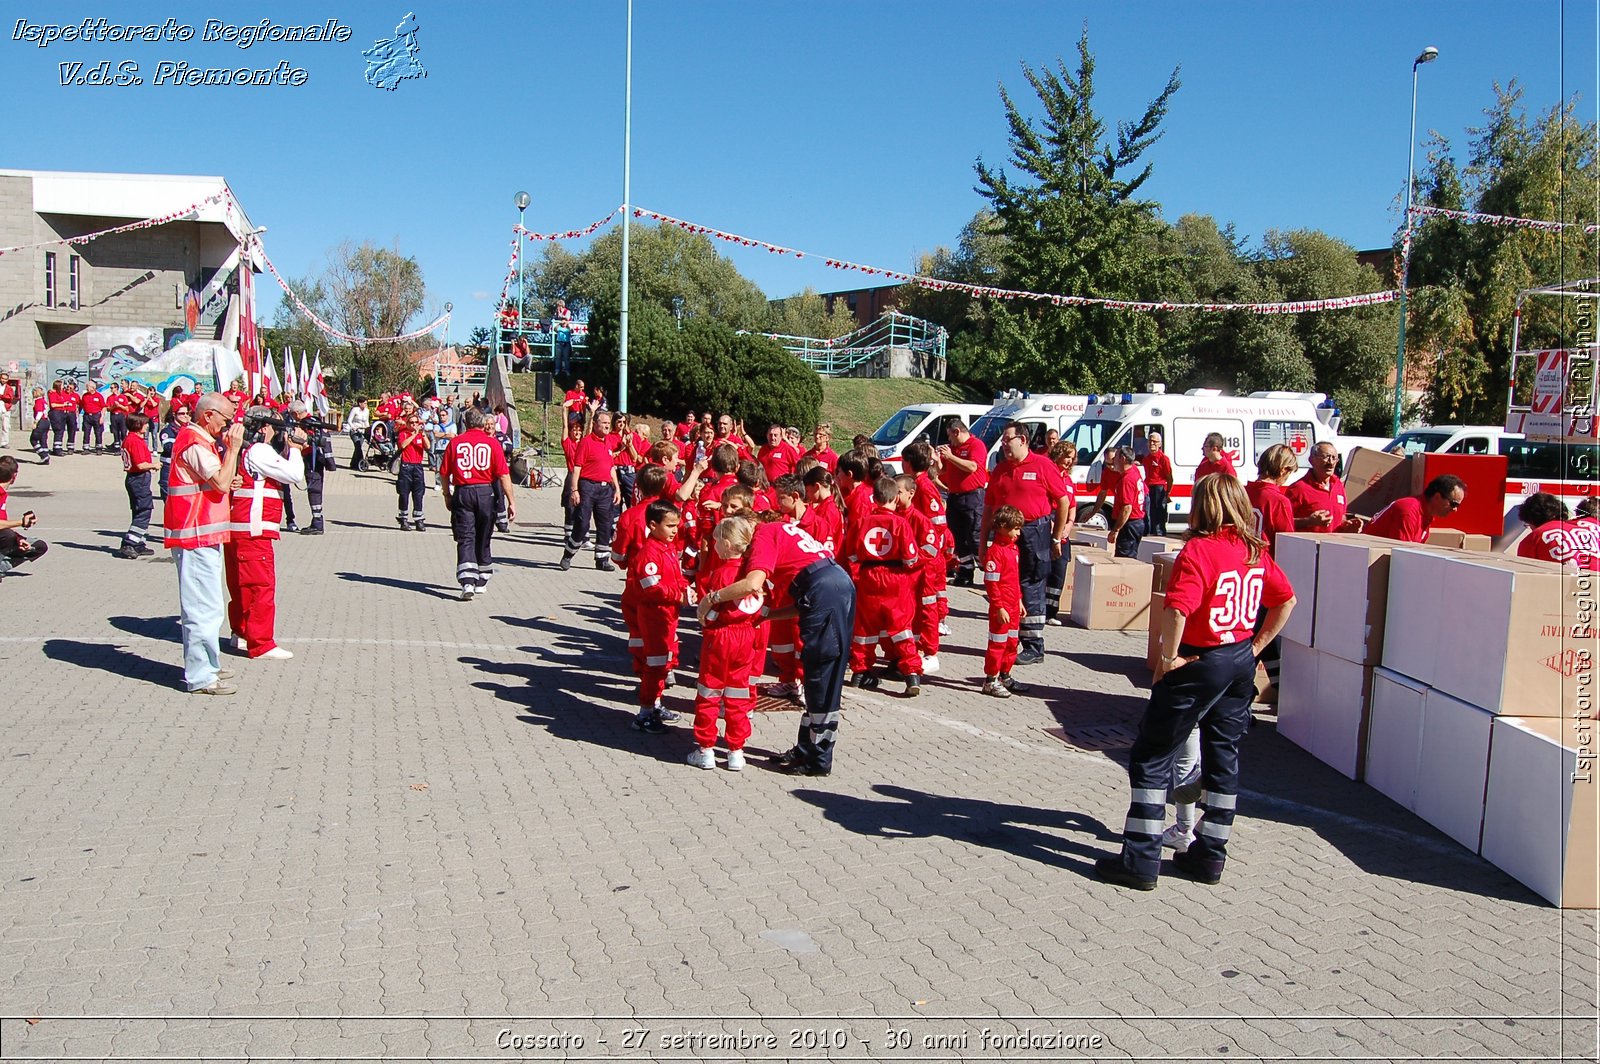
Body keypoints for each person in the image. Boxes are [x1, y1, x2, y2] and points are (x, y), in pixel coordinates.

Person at [1096, 474, 1296, 891]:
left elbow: (1176, 610)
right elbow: (1286, 599)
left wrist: (1168, 659)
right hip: (1238, 658)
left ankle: (1140, 858)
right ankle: (1210, 855)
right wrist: (1255, 647)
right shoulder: (1252, 550)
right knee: (1223, 757)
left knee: (1152, 756)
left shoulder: (1200, 551)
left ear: (1204, 507)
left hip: (1200, 660)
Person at [700, 510, 855, 777]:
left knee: (821, 676)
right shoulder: (781, 529)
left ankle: (818, 758)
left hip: (824, 589)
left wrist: (711, 598)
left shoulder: (764, 534)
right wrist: (770, 615)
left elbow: (752, 584)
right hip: (829, 585)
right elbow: (804, 602)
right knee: (815, 673)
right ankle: (807, 747)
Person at [164, 393, 246, 696]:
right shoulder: (195, 443)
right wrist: (233, 450)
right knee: (202, 609)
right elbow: (221, 482)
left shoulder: (200, 442)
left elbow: (218, 482)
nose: (228, 427)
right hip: (194, 533)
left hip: (201, 533)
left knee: (208, 605)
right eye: (225, 420)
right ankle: (201, 675)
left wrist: (227, 474)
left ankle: (208, 664)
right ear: (208, 415)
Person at [981, 423, 1070, 664]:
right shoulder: (1000, 470)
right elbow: (988, 509)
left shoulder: (1043, 466)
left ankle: (1033, 646)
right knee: (1007, 585)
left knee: (1031, 585)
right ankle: (1010, 640)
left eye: (1007, 440)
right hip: (1004, 537)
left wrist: (1056, 536)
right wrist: (982, 544)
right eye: (1003, 441)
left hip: (1033, 532)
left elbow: (1063, 502)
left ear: (1022, 439)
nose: (1004, 445)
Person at [225, 407, 307, 659]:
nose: (279, 430)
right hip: (254, 529)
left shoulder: (238, 447)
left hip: (238, 527)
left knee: (241, 587)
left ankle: (240, 633)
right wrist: (295, 448)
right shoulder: (259, 450)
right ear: (263, 427)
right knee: (260, 587)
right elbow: (294, 474)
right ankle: (260, 643)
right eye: (275, 426)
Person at [689, 515, 765, 770]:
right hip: (746, 636)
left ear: (729, 544)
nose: (713, 545)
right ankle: (736, 750)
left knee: (709, 690)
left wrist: (704, 620)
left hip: (720, 635)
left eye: (717, 541)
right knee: (738, 693)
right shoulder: (752, 573)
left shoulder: (720, 574)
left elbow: (710, 613)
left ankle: (706, 748)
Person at [847, 476, 923, 696]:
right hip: (895, 577)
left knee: (865, 629)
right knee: (901, 628)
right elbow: (911, 558)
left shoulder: (862, 521)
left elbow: (851, 554)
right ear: (894, 498)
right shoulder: (901, 523)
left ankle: (859, 673)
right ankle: (911, 675)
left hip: (868, 576)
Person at [440, 407, 517, 600]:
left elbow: (444, 473)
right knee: (484, 535)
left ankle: (467, 581)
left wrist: (446, 495)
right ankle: (482, 578)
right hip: (485, 492)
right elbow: (504, 475)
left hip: (463, 491)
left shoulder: (455, 443)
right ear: (482, 423)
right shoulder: (491, 444)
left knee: (465, 536)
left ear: (465, 423)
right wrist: (511, 501)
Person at [624, 500, 688, 733]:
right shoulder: (649, 553)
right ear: (653, 525)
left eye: (676, 526)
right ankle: (644, 713)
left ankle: (656, 703)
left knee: (665, 663)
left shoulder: (667, 548)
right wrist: (677, 595)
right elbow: (651, 587)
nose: (674, 530)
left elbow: (675, 575)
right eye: (670, 526)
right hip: (654, 616)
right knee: (655, 664)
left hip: (668, 615)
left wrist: (684, 587)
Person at [561, 410, 622, 572]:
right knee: (582, 523)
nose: (607, 425)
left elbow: (610, 467)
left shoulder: (608, 442)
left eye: (609, 423)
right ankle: (568, 554)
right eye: (603, 422)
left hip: (605, 489)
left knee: (605, 525)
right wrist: (574, 490)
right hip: (587, 487)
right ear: (595, 424)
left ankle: (602, 559)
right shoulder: (586, 442)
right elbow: (577, 468)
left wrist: (617, 489)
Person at [981, 504, 1025, 698]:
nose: (1018, 532)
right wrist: (998, 607)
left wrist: (1020, 601)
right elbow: (991, 583)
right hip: (1002, 607)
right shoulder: (995, 552)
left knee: (1012, 642)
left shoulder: (1013, 549)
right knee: (997, 643)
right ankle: (990, 680)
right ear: (1002, 527)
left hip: (1014, 605)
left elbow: (1014, 580)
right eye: (1015, 528)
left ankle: (1005, 675)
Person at [938, 419, 989, 586]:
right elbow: (942, 470)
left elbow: (972, 466)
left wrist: (951, 456)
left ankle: (989, 571)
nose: (949, 440)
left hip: (972, 497)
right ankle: (965, 572)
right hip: (955, 496)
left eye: (950, 436)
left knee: (974, 536)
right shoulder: (952, 449)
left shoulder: (976, 445)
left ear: (957, 432)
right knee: (959, 537)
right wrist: (937, 458)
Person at [1286, 441, 1362, 533]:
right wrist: (1308, 522)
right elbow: (1283, 523)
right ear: (1311, 460)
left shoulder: (1338, 486)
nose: (1331, 462)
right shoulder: (1298, 489)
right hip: (1308, 546)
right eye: (1326, 457)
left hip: (1335, 545)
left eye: (1334, 458)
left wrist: (1348, 525)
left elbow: (1340, 516)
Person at [113, 412, 159, 559]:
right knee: (144, 511)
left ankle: (138, 542)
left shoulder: (131, 439)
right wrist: (154, 465)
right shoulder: (135, 441)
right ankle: (129, 542)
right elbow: (140, 464)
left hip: (135, 479)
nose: (147, 426)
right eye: (145, 424)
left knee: (139, 511)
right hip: (138, 478)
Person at [1368, 474, 1466, 543]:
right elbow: (1401, 555)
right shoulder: (1409, 512)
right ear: (1437, 497)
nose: (1455, 509)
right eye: (1454, 504)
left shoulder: (1426, 515)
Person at [1515, 492, 1600, 571]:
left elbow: (1524, 576)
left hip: (1569, 582)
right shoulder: (1586, 528)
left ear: (1531, 521)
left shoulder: (1533, 538)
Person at [1044, 441, 1079, 626]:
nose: (1069, 461)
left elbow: (1072, 506)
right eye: (1066, 456)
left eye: (1072, 458)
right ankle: (1039, 609)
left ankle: (1052, 612)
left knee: (1059, 571)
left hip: (1064, 531)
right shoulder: (1049, 475)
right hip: (1048, 526)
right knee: (1044, 570)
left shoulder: (1069, 480)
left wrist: (1069, 525)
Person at [288, 401, 333, 535]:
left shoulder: (308, 423)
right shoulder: (314, 420)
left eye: (292, 414)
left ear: (296, 413)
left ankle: (318, 522)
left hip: (313, 460)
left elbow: (309, 442)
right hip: (315, 459)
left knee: (314, 490)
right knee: (314, 490)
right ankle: (316, 521)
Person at [0, 455, 48, 578]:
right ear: (14, 476)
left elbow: (3, 523)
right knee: (7, 536)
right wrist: (21, 522)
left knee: (38, 546)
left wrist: (19, 538)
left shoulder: (3, 493)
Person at [1106, 445, 1148, 558]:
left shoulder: (1127, 479)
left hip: (1130, 524)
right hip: (1136, 523)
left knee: (1125, 560)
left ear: (1123, 459)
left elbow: (1127, 508)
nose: (1113, 461)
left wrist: (1115, 530)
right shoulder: (1133, 474)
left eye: (1115, 458)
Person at [395, 412, 429, 531]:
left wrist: (423, 435)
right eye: (412, 422)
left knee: (418, 494)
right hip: (406, 467)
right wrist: (414, 435)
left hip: (418, 467)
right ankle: (403, 519)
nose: (414, 425)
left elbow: (428, 447)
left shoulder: (420, 435)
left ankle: (419, 519)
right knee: (404, 494)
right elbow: (402, 445)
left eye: (416, 422)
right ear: (407, 423)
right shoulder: (403, 434)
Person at [1140, 431, 1174, 536]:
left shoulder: (1164, 459)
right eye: (1150, 441)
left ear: (1160, 444)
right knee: (1147, 512)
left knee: (1159, 514)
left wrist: (1167, 492)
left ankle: (1159, 534)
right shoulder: (1146, 459)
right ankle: (1148, 533)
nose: (1152, 444)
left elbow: (1169, 477)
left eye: (1155, 442)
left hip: (1159, 488)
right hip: (1148, 487)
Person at [158, 405, 192, 499]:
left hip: (183, 468)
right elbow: (169, 448)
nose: (185, 416)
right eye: (182, 413)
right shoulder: (168, 431)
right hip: (169, 468)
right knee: (169, 500)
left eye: (187, 413)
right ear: (174, 415)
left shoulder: (188, 429)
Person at [343, 398, 372, 470]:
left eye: (366, 403)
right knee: (358, 446)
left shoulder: (367, 411)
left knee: (358, 448)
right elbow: (349, 420)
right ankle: (361, 463)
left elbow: (366, 422)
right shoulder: (355, 410)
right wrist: (353, 427)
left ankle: (353, 464)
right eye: (364, 403)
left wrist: (368, 429)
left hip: (362, 431)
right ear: (360, 403)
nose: (365, 405)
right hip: (355, 431)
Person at [553, 298, 575, 377]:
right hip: (559, 343)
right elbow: (555, 328)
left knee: (566, 358)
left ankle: (567, 371)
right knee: (558, 357)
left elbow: (571, 328)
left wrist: (566, 322)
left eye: (559, 306)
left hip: (566, 343)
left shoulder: (567, 312)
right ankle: (557, 370)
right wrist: (559, 319)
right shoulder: (559, 326)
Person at [28, 387, 49, 464]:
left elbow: (39, 412)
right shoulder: (44, 401)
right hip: (46, 421)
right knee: (43, 440)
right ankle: (46, 456)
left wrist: (35, 422)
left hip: (41, 421)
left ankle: (43, 455)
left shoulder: (38, 401)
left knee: (33, 439)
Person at [0, 371, 16, 450]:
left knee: (5, 426)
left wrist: (1, 396)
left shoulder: (9, 388)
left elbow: (10, 398)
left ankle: (4, 442)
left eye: (5, 379)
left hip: (5, 408)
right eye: (2, 378)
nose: (3, 380)